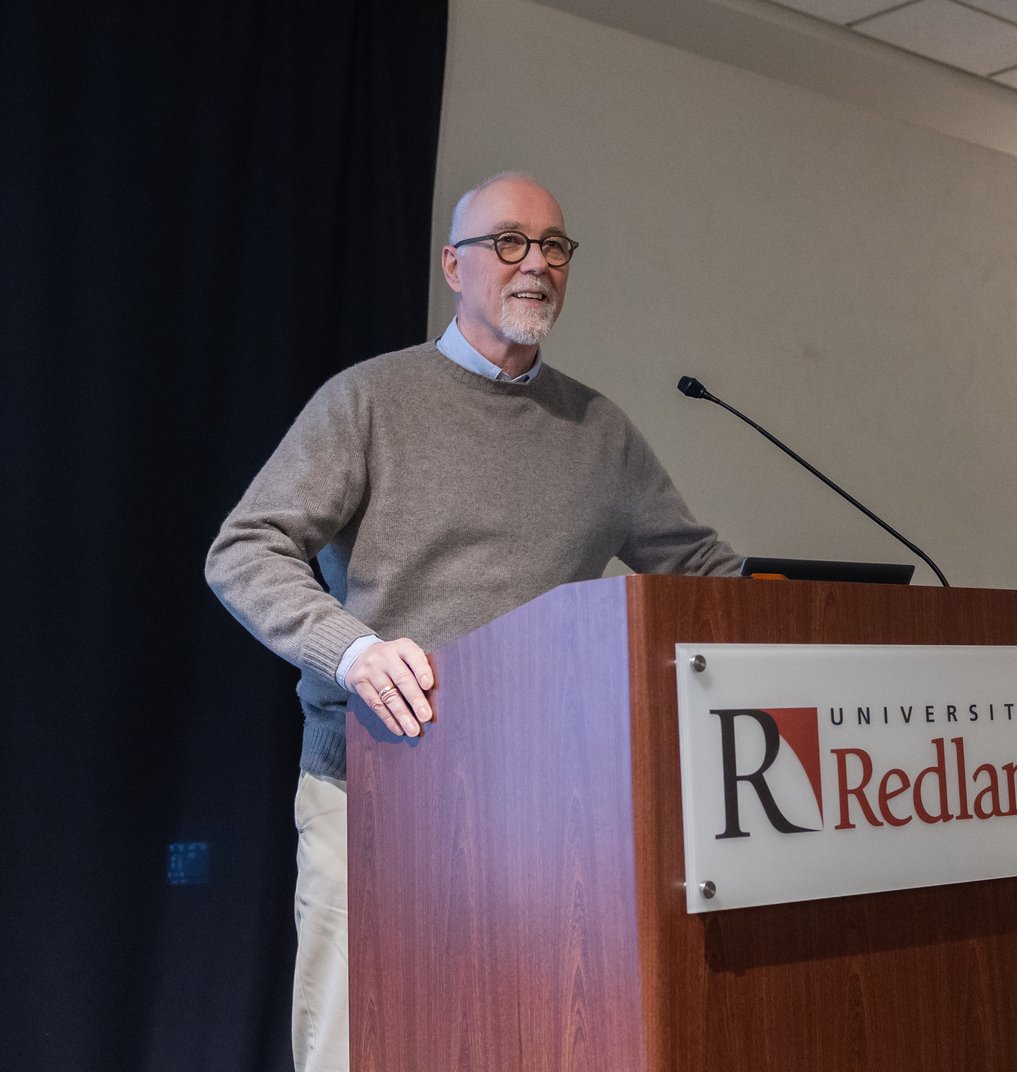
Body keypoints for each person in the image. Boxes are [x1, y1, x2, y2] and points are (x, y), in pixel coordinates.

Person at [205, 171, 740, 1072]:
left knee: (520, 1041)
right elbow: (244, 548)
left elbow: (703, 571)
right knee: (357, 1047)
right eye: (509, 242)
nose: (535, 263)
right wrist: (353, 651)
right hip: (374, 786)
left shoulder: (600, 432)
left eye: (554, 246)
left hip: (543, 808)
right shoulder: (370, 400)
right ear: (455, 267)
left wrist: (815, 614)